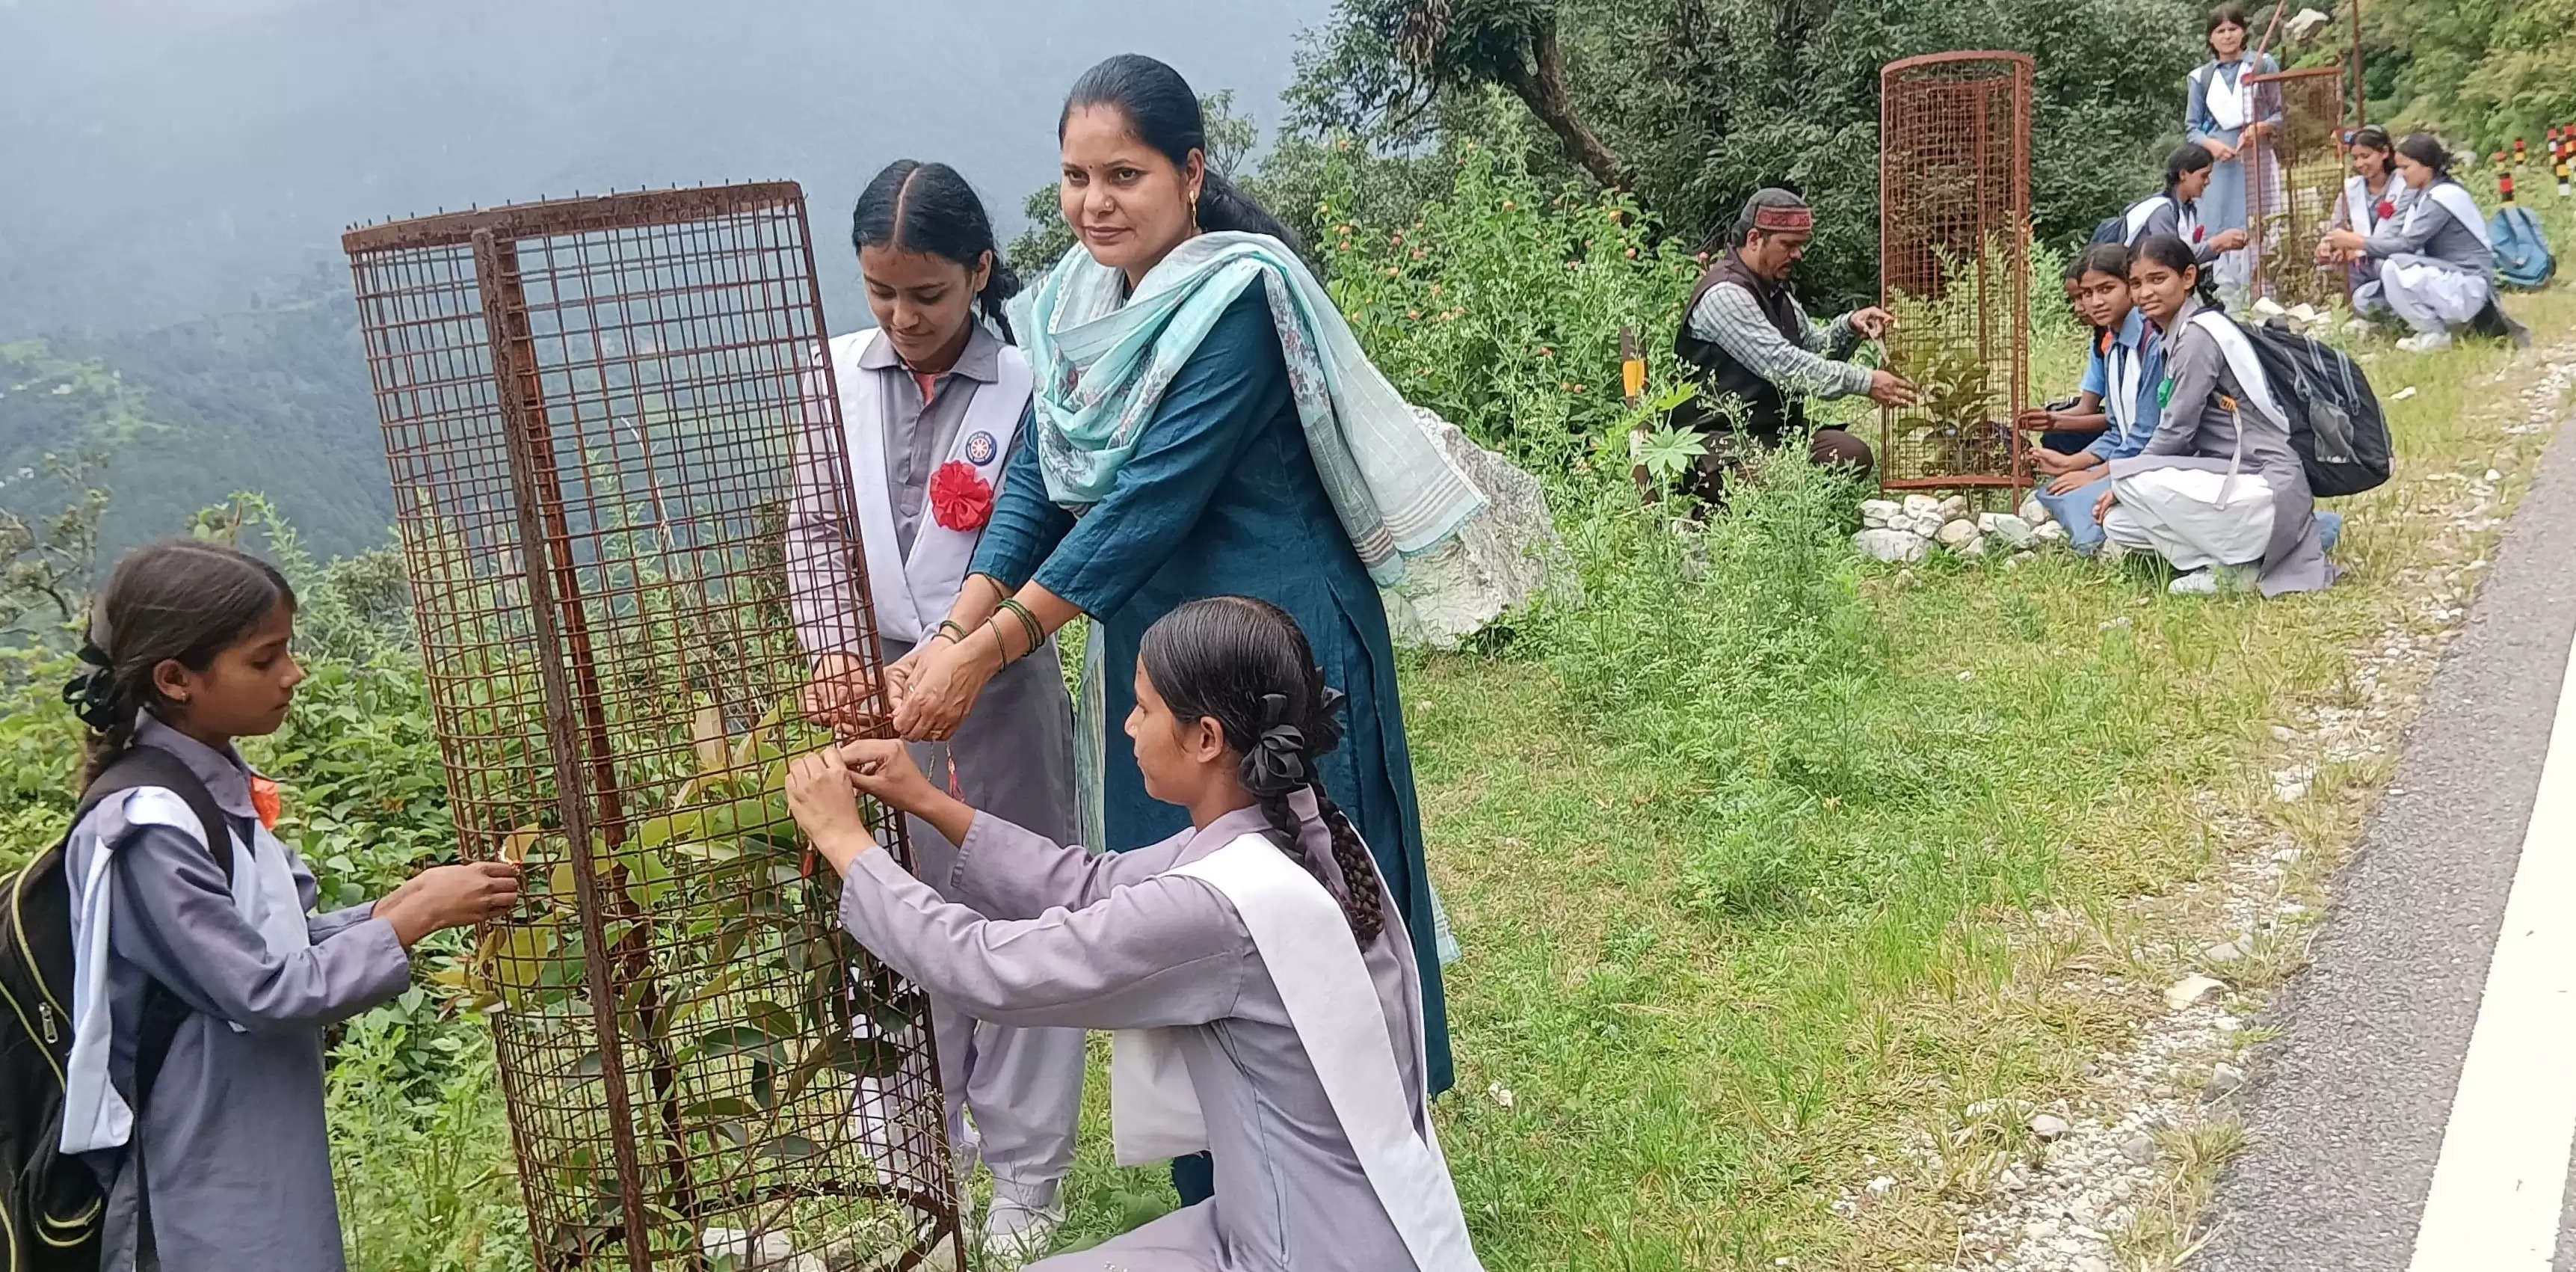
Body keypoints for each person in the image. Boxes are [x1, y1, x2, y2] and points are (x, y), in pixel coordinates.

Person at [886, 53, 1481, 1202]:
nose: (1094, 202)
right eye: (1073, 177)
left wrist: (991, 651)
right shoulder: (1070, 305)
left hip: (1270, 647)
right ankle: (1220, 1175)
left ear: (1191, 173)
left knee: (1305, 897)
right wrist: (951, 630)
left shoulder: (1240, 298)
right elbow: (1041, 479)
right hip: (1156, 663)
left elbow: (1150, 499)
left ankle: (1361, 1169)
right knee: (1175, 901)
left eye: (1125, 174)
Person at [783, 597, 1483, 1272]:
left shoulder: (1215, 912)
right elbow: (1092, 883)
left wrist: (849, 846)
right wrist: (928, 800)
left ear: (1206, 738)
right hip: (1323, 1220)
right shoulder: (1302, 826)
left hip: (1300, 1251)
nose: (1127, 726)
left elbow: (993, 970)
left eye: (1143, 707)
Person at [55, 541, 520, 1271]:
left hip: (250, 1130)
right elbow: (263, 988)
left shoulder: (210, 784)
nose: (291, 675)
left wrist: (387, 911)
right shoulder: (146, 826)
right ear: (176, 679)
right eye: (264, 660)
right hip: (196, 1154)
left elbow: (265, 942)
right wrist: (411, 919)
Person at [785, 159, 1085, 1260]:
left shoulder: (1027, 387)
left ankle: (1026, 1180)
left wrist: (969, 650)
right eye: (880, 293)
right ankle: (910, 1162)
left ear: (980, 276)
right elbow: (813, 530)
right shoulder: (828, 377)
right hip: (866, 691)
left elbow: (1042, 536)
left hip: (998, 692)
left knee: (1017, 905)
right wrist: (827, 650)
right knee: (884, 902)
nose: (903, 319)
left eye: (928, 296)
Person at [2092, 235, 2337, 595]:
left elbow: (2175, 432)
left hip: (2265, 482)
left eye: (2158, 279)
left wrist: (2122, 481)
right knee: (2119, 524)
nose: (2145, 293)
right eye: (2137, 283)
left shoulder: (2196, 338)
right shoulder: (2173, 336)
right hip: (2234, 483)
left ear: (2188, 277)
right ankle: (2235, 563)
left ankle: (2229, 571)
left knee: (2130, 482)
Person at [1670, 188, 1914, 493]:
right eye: (1788, 245)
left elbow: (1814, 349)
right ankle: (1710, 508)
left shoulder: (1776, 292)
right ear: (1755, 239)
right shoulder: (1725, 295)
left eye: (1800, 245)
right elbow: (1784, 364)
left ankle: (1784, 492)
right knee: (1772, 481)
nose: (1798, 254)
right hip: (1717, 440)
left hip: (1777, 435)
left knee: (1852, 455)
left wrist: (1850, 326)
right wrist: (1866, 381)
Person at [2017, 244, 2168, 552]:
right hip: (2131, 462)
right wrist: (2071, 464)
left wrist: (2095, 474)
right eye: (2087, 294)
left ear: (2131, 288)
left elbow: (2148, 435)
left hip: (2161, 462)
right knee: (2057, 492)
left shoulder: (2152, 344)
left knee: (2091, 507)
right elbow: (2117, 429)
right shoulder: (2112, 346)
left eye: (2106, 289)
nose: (2093, 302)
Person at [2321, 132, 2513, 352]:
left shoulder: (2442, 196)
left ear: (2426, 166)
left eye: (2406, 168)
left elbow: (2406, 245)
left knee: (2393, 268)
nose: (2401, 175)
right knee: (2366, 297)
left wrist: (2357, 243)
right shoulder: (2423, 193)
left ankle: (2434, 333)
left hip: (2469, 284)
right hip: (2449, 277)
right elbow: (2396, 237)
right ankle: (2434, 328)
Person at [2185, 4, 2282, 300]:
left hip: (2255, 158)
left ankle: (2262, 290)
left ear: (2243, 32)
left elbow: (2280, 114)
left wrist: (2259, 129)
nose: (2227, 36)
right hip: (2216, 165)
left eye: (2233, 29)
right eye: (2220, 31)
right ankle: (2219, 294)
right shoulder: (2201, 77)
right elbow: (2192, 128)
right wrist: (2212, 146)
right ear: (2210, 39)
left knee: (2258, 218)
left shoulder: (2263, 65)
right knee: (2216, 220)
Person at [2107, 145, 2249, 265]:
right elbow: (2169, 259)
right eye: (2203, 176)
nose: (2207, 182)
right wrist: (2218, 243)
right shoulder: (2162, 210)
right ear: (2183, 174)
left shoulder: (2187, 209)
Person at [2318, 124, 2415, 299]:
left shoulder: (2405, 185)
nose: (2359, 164)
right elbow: (2337, 228)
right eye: (2355, 158)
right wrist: (2331, 247)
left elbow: (2404, 235)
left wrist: (2358, 248)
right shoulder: (2351, 189)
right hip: (2361, 267)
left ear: (2384, 152)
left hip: (2396, 261)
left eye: (2365, 156)